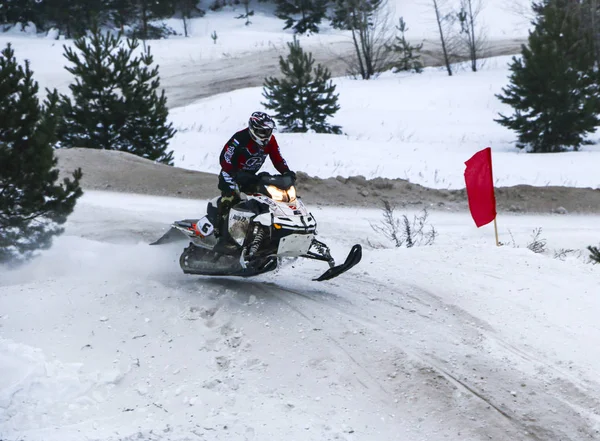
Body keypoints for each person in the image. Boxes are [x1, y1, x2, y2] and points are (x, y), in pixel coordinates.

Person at [214, 111, 296, 247]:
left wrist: (286, 172)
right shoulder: (240, 138)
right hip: (231, 176)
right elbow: (225, 158)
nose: (266, 135)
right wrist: (235, 173)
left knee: (265, 199)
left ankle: (263, 234)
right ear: (253, 129)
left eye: (268, 131)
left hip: (250, 176)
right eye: (262, 131)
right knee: (231, 199)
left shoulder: (271, 141)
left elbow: (277, 158)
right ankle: (220, 233)